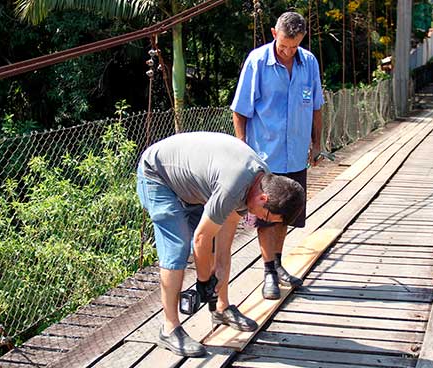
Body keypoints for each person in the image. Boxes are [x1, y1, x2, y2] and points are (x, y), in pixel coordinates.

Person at [136, 132, 305, 357]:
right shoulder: (233, 186)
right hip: (158, 175)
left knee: (212, 242)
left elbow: (223, 235)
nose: (261, 221)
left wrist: (219, 273)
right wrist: (204, 280)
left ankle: (222, 309)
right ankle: (169, 328)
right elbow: (200, 240)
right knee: (178, 247)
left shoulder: (261, 180)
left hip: (192, 182)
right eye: (266, 216)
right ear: (264, 199)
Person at [231, 11, 324, 300]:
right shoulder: (256, 62)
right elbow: (240, 109)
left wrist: (317, 143)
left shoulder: (309, 63)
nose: (288, 51)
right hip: (264, 158)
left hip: (296, 154)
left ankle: (279, 263)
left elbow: (317, 106)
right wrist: (242, 148)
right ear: (274, 33)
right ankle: (268, 271)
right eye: (284, 45)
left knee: (286, 214)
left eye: (294, 46)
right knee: (264, 217)